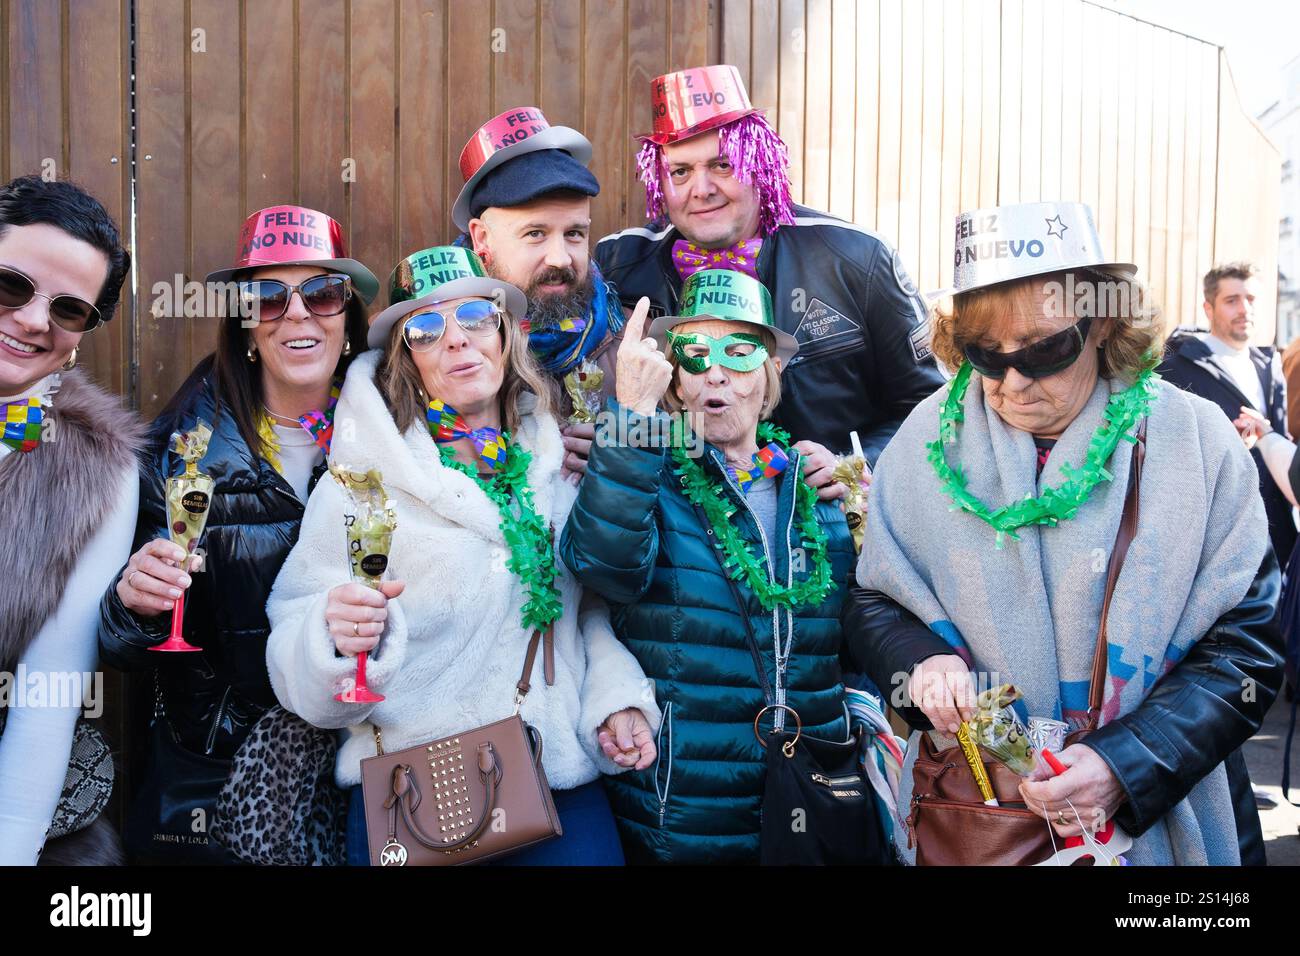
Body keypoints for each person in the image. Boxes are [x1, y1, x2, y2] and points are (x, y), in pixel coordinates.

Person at [842, 202, 1284, 865]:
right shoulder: (924, 442)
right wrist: (917, 663)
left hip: (1162, 819)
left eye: (1046, 349)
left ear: (1101, 323)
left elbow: (1247, 647)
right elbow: (874, 600)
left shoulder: (1196, 441)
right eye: (984, 355)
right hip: (978, 819)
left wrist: (1122, 768)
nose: (1014, 382)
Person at [263, 246, 660, 866]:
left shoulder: (557, 465)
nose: (457, 341)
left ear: (504, 335)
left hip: (557, 788)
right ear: (406, 360)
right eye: (425, 330)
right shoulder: (361, 482)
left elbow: (585, 615)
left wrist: (616, 701)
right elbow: (293, 642)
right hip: (415, 797)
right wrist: (329, 635)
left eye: (476, 316)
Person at [98, 205, 377, 861]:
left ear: (348, 314)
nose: (299, 314)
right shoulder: (177, 453)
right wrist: (132, 604)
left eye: (323, 292)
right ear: (247, 323)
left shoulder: (400, 431)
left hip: (374, 754)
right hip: (223, 765)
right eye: (268, 296)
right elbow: (120, 648)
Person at [559, 268, 861, 864]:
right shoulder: (649, 472)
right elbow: (602, 568)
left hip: (811, 790)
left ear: (770, 370)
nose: (716, 372)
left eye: (739, 352)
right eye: (694, 356)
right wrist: (632, 415)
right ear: (676, 378)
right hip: (684, 806)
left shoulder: (817, 489)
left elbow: (854, 629)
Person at [594, 64, 946, 463]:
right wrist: (609, 444)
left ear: (758, 163)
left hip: (834, 518)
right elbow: (602, 396)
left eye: (722, 165)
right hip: (682, 515)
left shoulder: (856, 258)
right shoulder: (619, 263)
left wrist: (851, 465)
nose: (702, 189)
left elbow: (934, 408)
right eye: (680, 172)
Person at [0, 175, 135, 864]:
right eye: (11, 285)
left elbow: (45, 703)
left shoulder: (98, 470)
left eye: (69, 308)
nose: (31, 319)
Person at [451, 107, 623, 483]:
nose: (560, 258)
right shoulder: (437, 349)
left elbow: (685, 444)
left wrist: (627, 452)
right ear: (482, 239)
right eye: (535, 234)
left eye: (575, 233)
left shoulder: (628, 346)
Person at [1158, 262, 1294, 564]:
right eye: (1232, 300)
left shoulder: (1270, 365)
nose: (1244, 309)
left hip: (1275, 529)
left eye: (1251, 299)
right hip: (1215, 532)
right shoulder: (1176, 366)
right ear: (1209, 308)